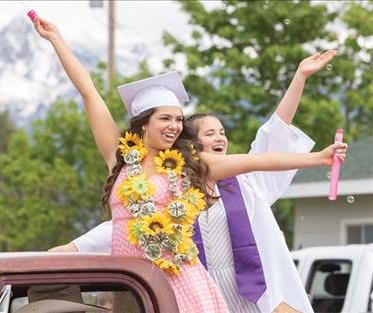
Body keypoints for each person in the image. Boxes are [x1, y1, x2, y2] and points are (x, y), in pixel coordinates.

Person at [33, 16, 346, 313]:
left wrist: (316, 159)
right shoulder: (121, 158)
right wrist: (57, 39)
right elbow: (89, 93)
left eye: (179, 119)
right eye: (165, 118)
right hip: (131, 283)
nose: (174, 126)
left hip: (180, 280)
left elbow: (257, 160)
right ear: (143, 123)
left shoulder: (188, 166)